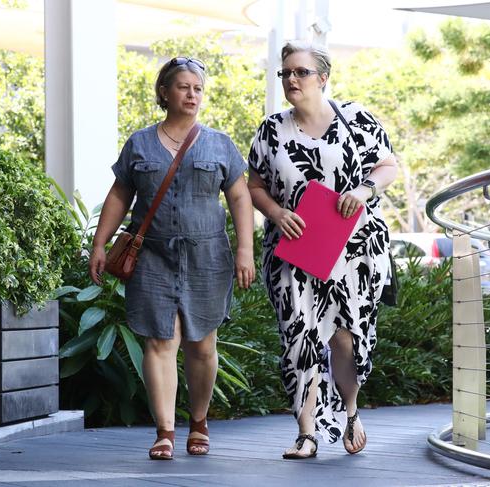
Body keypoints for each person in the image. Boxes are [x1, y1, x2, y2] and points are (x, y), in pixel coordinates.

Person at [89, 56, 256, 460]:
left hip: (208, 256)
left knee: (201, 344)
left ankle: (198, 422)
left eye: (197, 88)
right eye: (183, 87)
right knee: (160, 341)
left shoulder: (219, 143)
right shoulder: (140, 143)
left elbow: (239, 196)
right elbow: (119, 195)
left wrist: (245, 250)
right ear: (164, 92)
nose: (192, 94)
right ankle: (164, 430)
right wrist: (99, 243)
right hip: (152, 255)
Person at [247, 41, 398, 459]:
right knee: (300, 339)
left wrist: (364, 188)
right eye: (286, 74)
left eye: (301, 72)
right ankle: (307, 433)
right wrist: (276, 213)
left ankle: (350, 411)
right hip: (293, 251)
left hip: (353, 252)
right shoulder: (271, 130)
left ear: (323, 77)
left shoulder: (356, 118)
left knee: (345, 341)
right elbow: (254, 185)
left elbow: (388, 165)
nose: (292, 80)